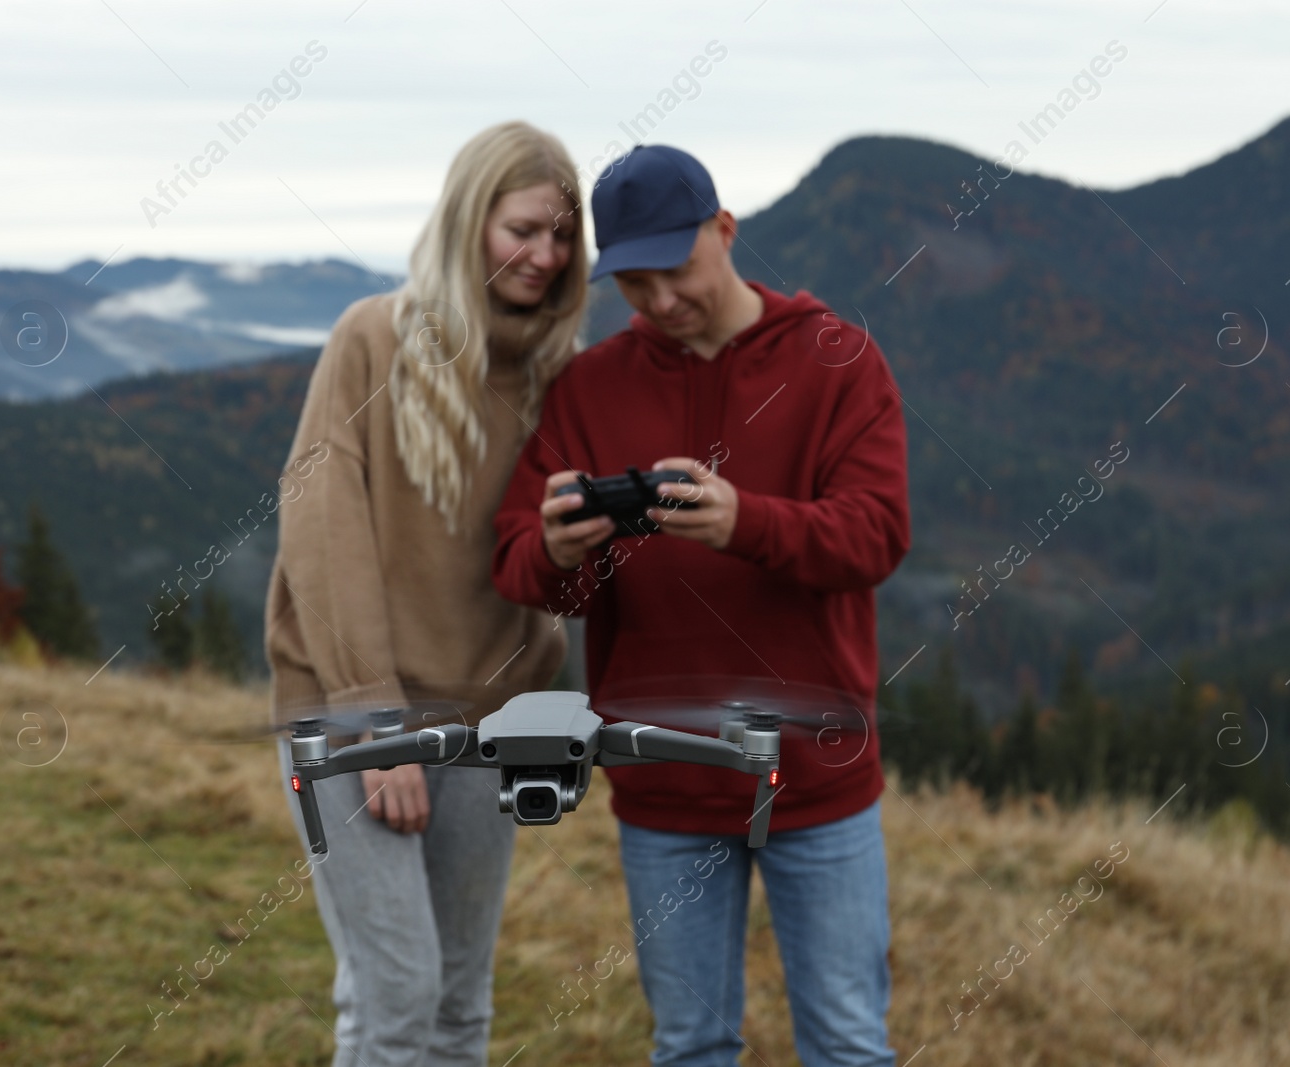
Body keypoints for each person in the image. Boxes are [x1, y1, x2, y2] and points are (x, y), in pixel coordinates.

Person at [491, 143, 910, 1067]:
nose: (662, 302)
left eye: (677, 270)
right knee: (689, 1046)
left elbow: (876, 536)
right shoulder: (590, 387)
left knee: (846, 1044)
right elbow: (517, 557)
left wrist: (743, 522)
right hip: (664, 784)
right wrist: (560, 552)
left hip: (815, 776)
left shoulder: (839, 362)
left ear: (725, 231)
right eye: (635, 283)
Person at [263, 120, 588, 1067]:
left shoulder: (556, 372)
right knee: (401, 994)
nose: (544, 254)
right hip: (354, 712)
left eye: (563, 236)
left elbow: (545, 565)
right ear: (467, 219)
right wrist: (375, 722)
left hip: (493, 720)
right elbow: (323, 528)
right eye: (522, 228)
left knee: (455, 1005)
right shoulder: (373, 338)